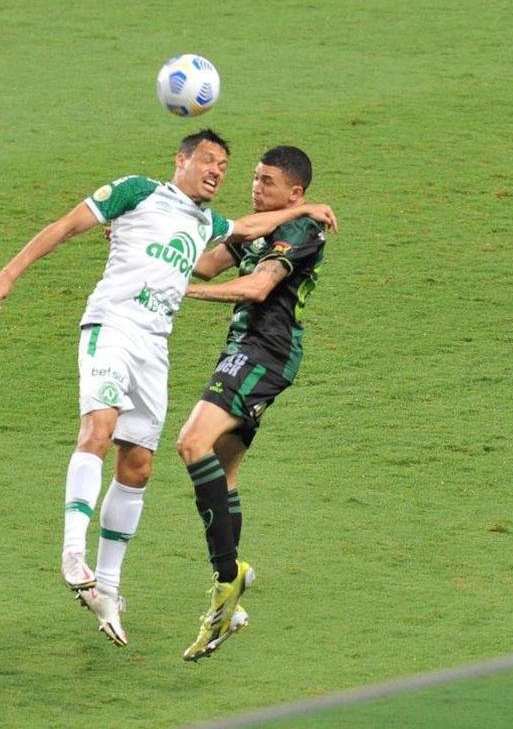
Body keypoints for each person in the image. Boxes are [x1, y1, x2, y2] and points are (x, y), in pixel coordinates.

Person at [0, 131, 337, 648]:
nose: (221, 173)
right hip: (113, 327)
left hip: (174, 348)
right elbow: (65, 226)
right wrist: (9, 273)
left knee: (148, 462)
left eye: (228, 168)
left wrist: (310, 207)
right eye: (210, 162)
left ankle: (125, 587)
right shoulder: (137, 191)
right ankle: (76, 551)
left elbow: (247, 243)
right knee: (108, 430)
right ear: (181, 161)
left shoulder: (215, 223)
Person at [174, 145, 327, 661]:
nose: (255, 188)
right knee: (223, 468)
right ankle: (230, 605)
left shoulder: (303, 231)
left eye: (266, 182)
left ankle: (226, 581)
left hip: (264, 354)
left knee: (192, 443)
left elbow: (260, 288)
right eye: (254, 179)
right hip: (249, 353)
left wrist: (176, 292)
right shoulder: (259, 227)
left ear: (295, 193)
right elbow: (203, 264)